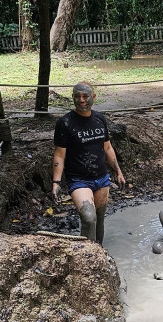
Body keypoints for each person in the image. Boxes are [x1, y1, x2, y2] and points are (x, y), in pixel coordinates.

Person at [52, 81, 125, 244]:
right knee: (88, 217)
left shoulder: (100, 118)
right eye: (77, 96)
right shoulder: (65, 123)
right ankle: (86, 256)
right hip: (78, 179)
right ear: (73, 98)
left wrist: (118, 172)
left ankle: (99, 254)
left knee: (99, 219)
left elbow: (107, 148)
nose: (82, 100)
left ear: (94, 97)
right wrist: (56, 182)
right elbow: (59, 155)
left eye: (85, 96)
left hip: (101, 178)